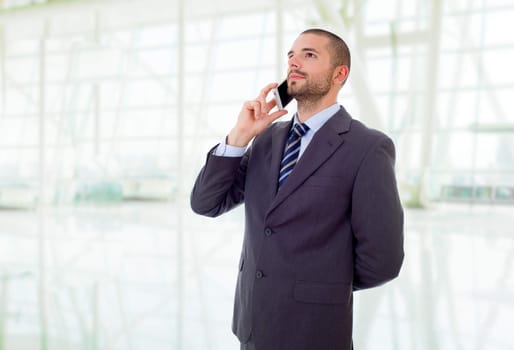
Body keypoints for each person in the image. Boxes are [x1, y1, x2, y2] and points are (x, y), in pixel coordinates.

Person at [190, 28, 404, 350]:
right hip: (253, 326)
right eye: (291, 56)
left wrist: (322, 284)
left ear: (339, 74)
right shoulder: (265, 140)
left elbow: (383, 260)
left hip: (314, 332)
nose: (294, 63)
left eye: (309, 55)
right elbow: (206, 203)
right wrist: (238, 137)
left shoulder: (367, 148)